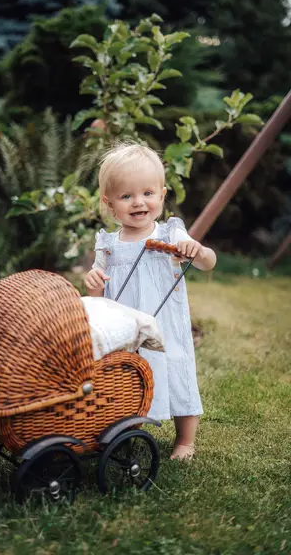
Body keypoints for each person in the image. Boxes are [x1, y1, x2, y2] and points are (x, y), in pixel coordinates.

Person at [84, 142, 217, 460]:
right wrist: (92, 281)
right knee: (125, 374)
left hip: (165, 322)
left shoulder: (172, 234)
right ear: (109, 203)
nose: (138, 202)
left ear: (162, 194)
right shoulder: (108, 244)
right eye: (126, 196)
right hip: (125, 328)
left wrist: (197, 251)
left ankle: (185, 440)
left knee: (176, 367)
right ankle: (123, 428)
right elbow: (97, 293)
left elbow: (208, 262)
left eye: (147, 193)